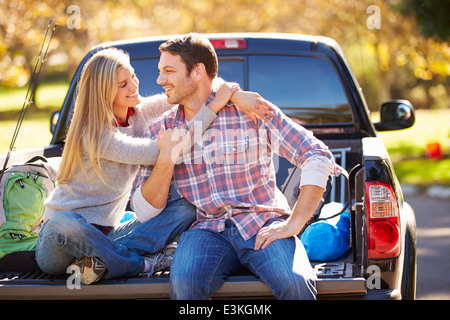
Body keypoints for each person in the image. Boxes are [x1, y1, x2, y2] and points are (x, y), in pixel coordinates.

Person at [36, 47, 273, 285]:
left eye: (133, 76)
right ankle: (139, 264)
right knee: (65, 221)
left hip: (108, 235)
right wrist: (213, 108)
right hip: (58, 244)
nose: (134, 85)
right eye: (123, 84)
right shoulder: (95, 135)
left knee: (186, 206)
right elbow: (169, 151)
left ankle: (102, 262)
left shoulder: (139, 113)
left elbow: (196, 85)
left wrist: (233, 94)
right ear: (103, 91)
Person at [132, 33, 342, 300]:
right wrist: (166, 158)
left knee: (296, 282)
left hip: (261, 221)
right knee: (185, 283)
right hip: (206, 228)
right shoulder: (162, 129)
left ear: (198, 72)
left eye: (169, 71)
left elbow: (316, 153)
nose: (160, 80)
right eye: (160, 71)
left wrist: (294, 223)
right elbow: (144, 211)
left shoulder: (250, 111)